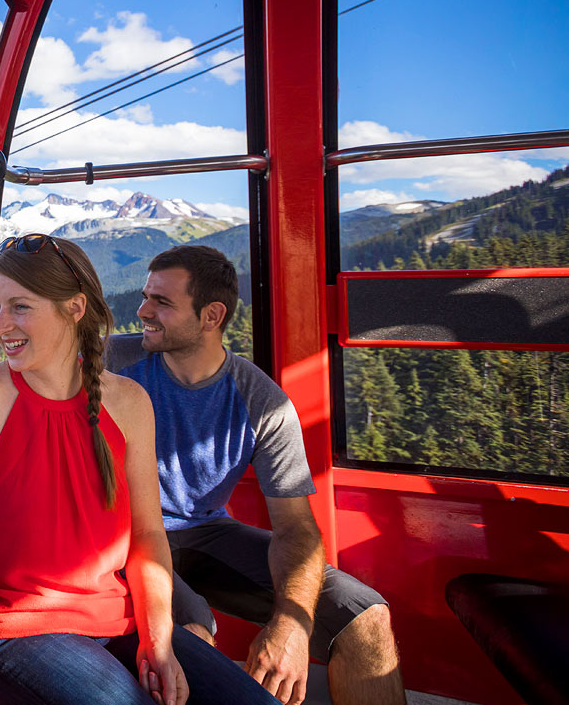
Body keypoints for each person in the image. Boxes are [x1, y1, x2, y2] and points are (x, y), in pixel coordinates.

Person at [0, 234, 277, 705]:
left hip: (115, 620)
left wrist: (158, 637)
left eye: (20, 307)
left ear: (75, 308)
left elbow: (146, 535)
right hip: (14, 631)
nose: (1, 325)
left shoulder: (128, 403)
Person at [106, 245, 405, 705]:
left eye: (161, 302)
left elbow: (296, 527)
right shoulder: (111, 361)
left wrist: (292, 622)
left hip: (206, 533)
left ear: (212, 316)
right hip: (125, 532)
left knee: (366, 618)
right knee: (192, 634)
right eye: (146, 296)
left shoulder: (261, 403)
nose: (142, 311)